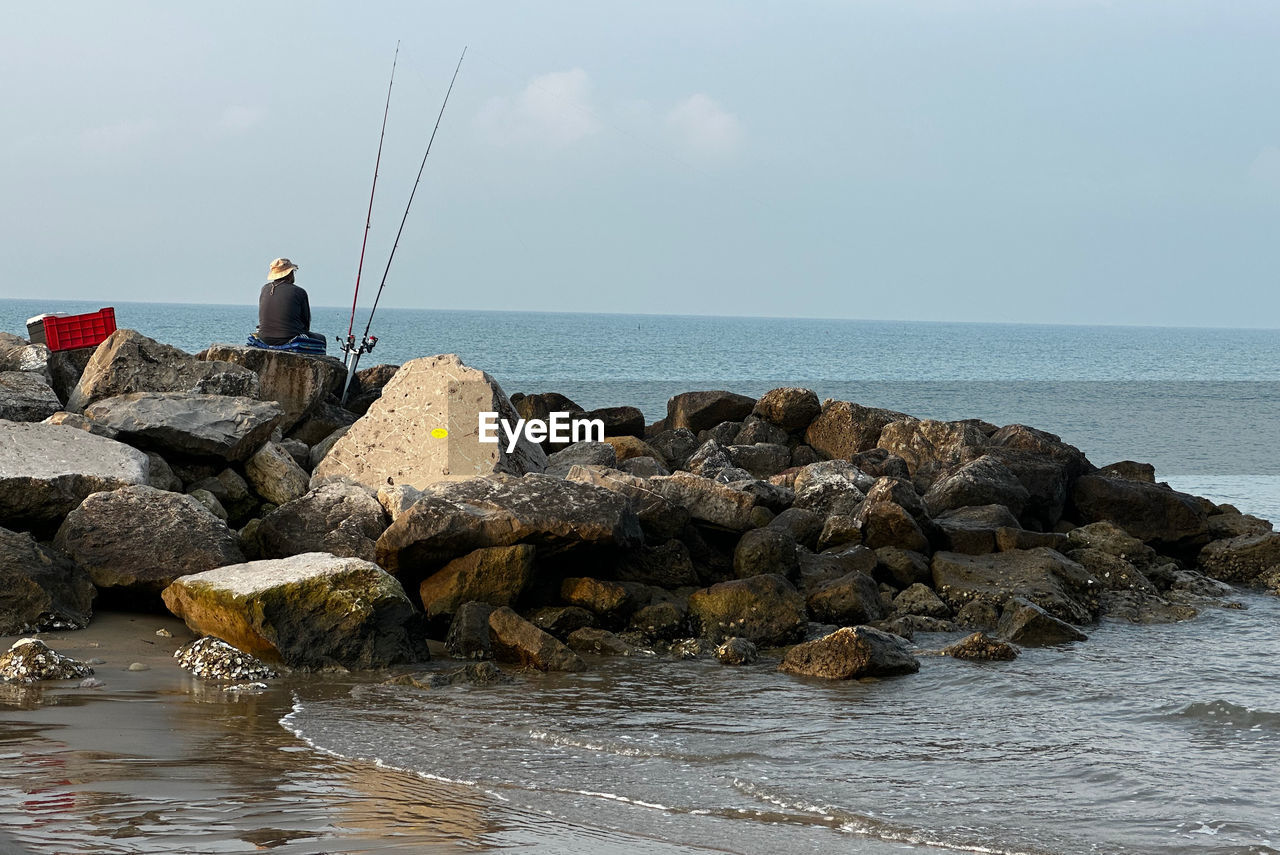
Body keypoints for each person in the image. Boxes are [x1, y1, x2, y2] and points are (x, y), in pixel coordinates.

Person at [255, 258, 325, 348]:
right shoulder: (299, 292)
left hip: (264, 337)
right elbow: (306, 323)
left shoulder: (264, 289)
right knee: (321, 339)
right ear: (289, 274)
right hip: (288, 338)